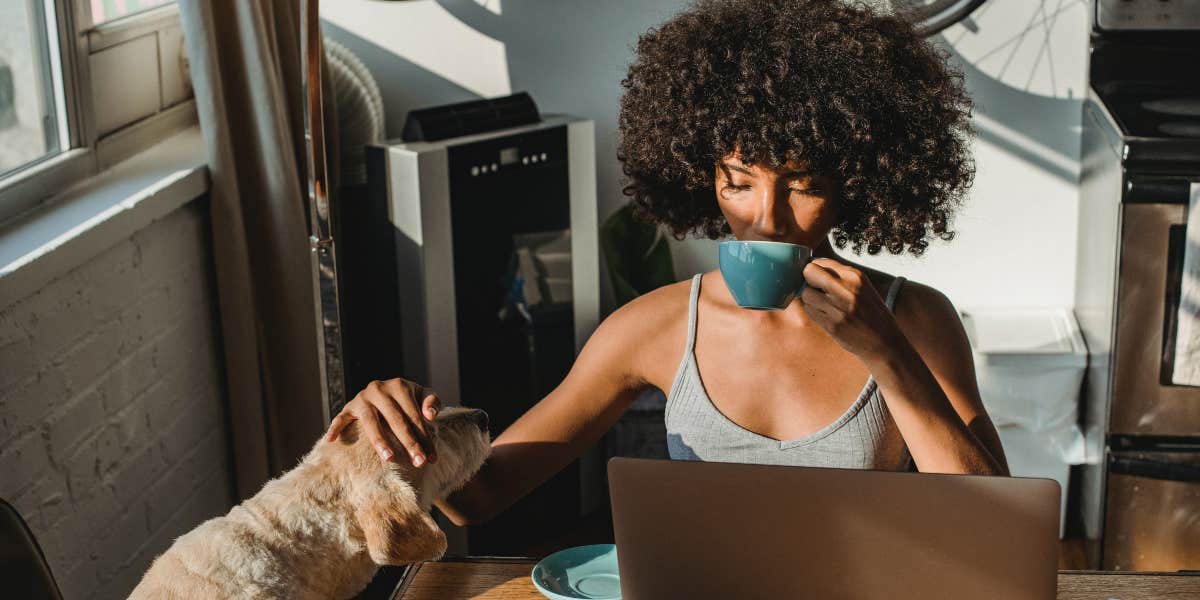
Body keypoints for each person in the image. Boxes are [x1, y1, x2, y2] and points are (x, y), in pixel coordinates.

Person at [326, 0, 1008, 526]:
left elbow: (991, 519)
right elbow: (485, 494)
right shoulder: (652, 328)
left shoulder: (911, 319)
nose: (766, 218)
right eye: (739, 179)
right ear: (702, 176)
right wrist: (401, 432)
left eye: (803, 184)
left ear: (856, 184)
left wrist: (888, 357)